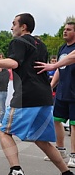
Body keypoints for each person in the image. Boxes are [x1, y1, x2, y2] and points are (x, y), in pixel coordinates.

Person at [0, 13, 73, 175]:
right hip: (44, 96)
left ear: (23, 26)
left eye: (14, 24)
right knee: (41, 140)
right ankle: (66, 172)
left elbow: (14, 63)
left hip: (26, 95)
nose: (11, 27)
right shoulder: (40, 44)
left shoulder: (18, 41)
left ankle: (16, 169)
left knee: (5, 132)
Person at [42, 22, 75, 166]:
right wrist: (51, 86)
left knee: (74, 125)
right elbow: (59, 70)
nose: (64, 31)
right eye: (64, 29)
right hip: (63, 91)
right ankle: (60, 150)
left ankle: (74, 155)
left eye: (68, 30)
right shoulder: (62, 48)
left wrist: (53, 65)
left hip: (74, 93)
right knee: (56, 120)